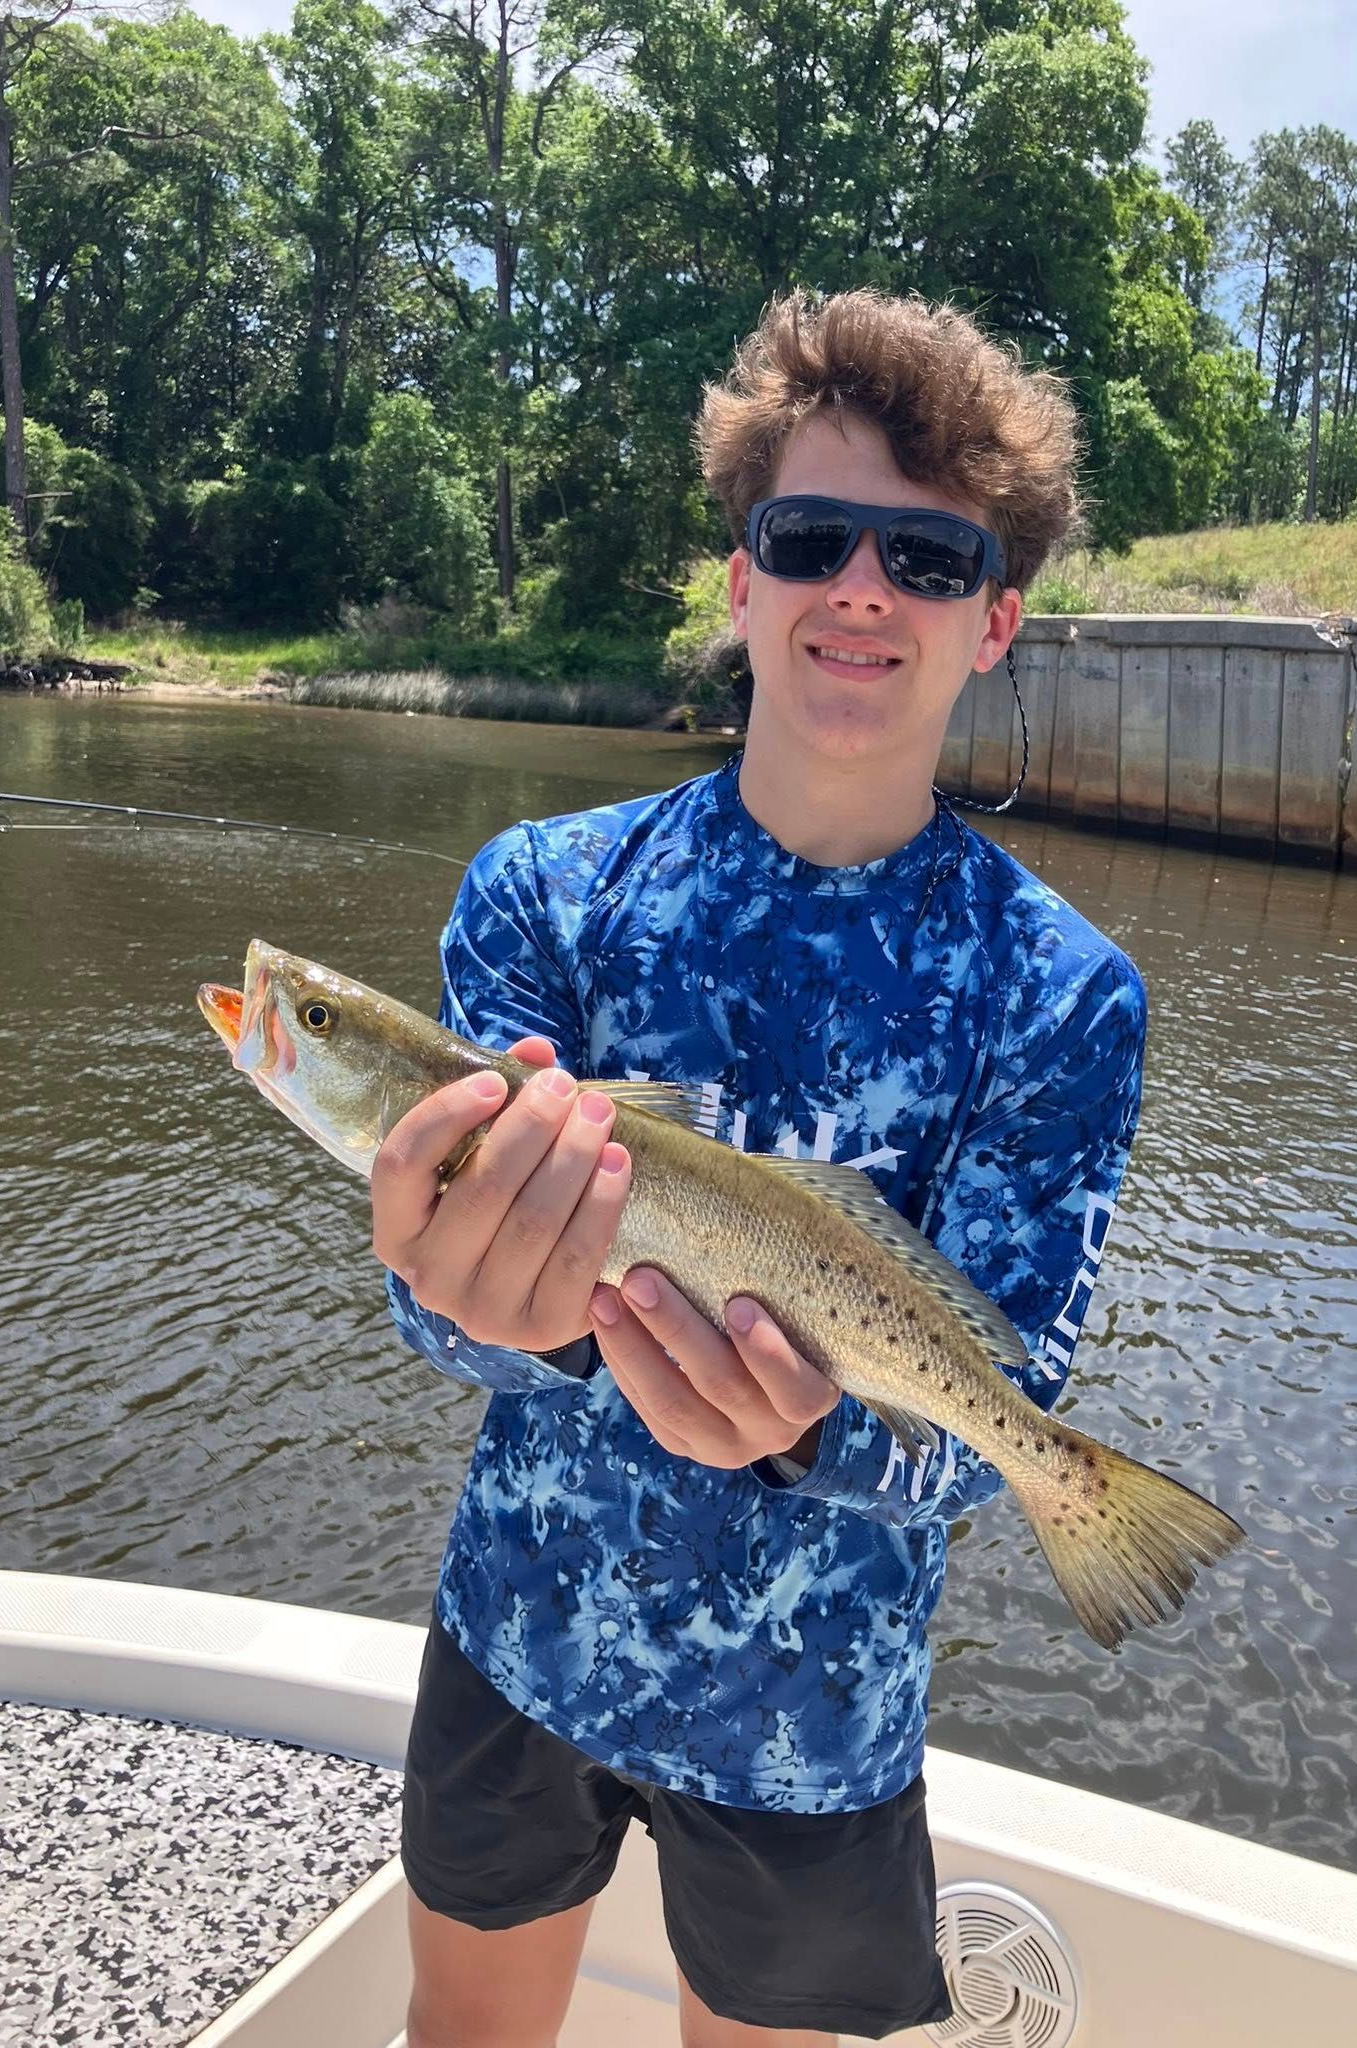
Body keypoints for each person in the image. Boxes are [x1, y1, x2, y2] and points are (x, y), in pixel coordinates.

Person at [372, 286, 1148, 2048]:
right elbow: (436, 1320)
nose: (861, 587)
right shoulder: (540, 894)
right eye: (810, 539)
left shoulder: (1066, 999)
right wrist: (490, 1309)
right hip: (521, 1634)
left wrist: (807, 1431)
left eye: (927, 559)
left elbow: (989, 1428)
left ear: (995, 622)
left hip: (817, 1720)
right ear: (743, 583)